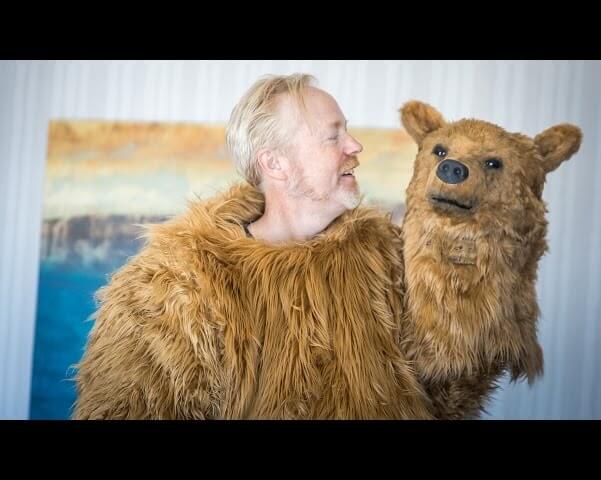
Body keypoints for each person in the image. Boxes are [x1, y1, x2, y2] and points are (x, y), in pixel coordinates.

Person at [72, 73, 433, 419]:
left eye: (348, 132)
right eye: (332, 136)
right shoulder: (178, 286)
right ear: (275, 163)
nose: (355, 146)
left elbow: (442, 386)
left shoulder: (383, 255)